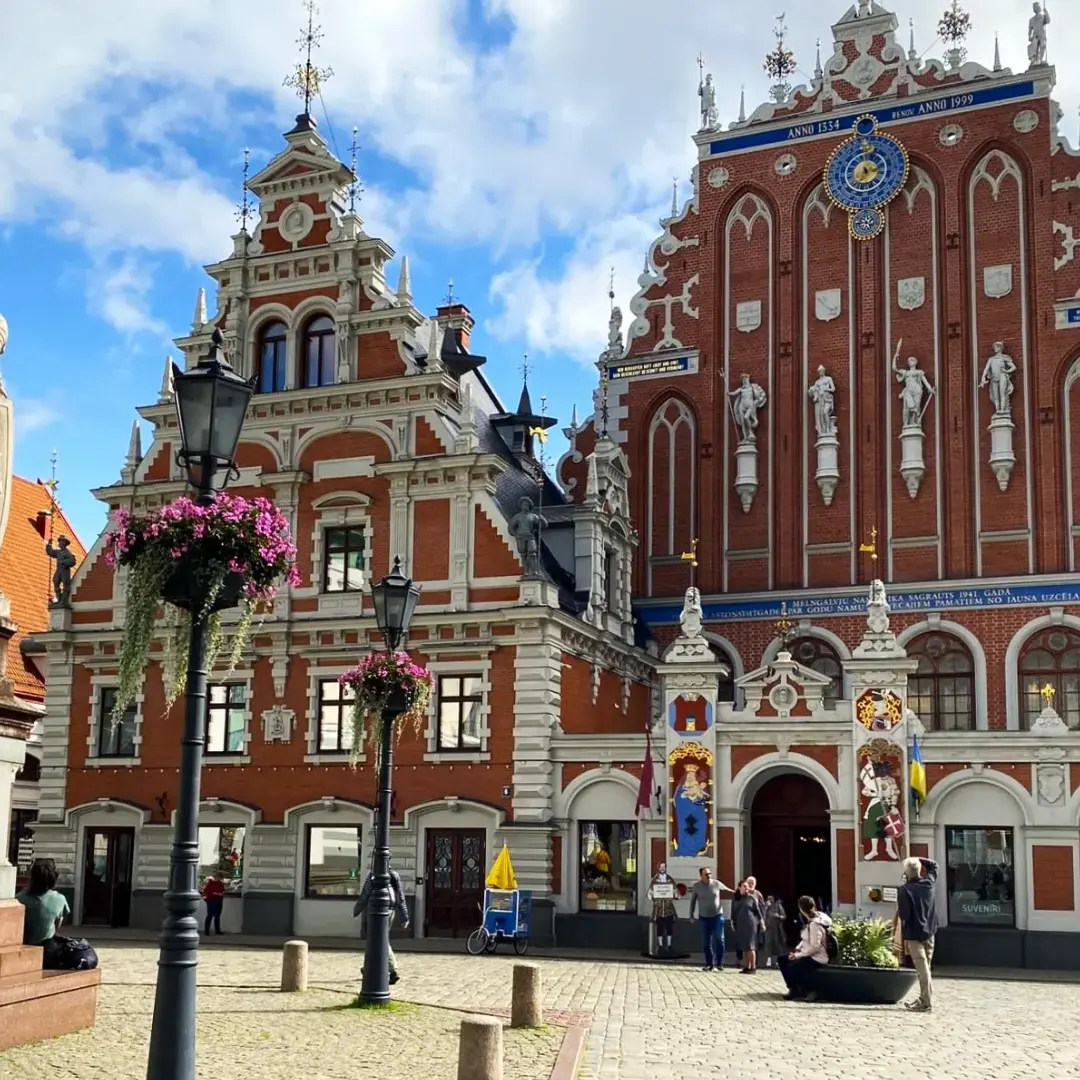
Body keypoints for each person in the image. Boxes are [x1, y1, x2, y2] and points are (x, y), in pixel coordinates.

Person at [354, 862, 411, 986]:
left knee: (380, 940)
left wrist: (357, 909)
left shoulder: (373, 875)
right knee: (374, 940)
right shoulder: (394, 874)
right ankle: (369, 967)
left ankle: (392, 970)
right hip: (390, 910)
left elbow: (365, 893)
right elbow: (400, 897)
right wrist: (404, 917)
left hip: (377, 910)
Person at [898, 855, 939, 1012]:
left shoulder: (904, 890)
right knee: (926, 967)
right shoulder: (929, 882)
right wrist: (918, 859)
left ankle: (925, 1002)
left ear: (907, 873)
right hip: (930, 931)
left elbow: (905, 916)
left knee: (922, 969)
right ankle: (924, 998)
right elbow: (934, 865)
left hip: (914, 934)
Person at [16, 858, 71, 969]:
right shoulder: (60, 899)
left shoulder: (19, 898)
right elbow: (57, 926)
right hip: (48, 953)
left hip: (22, 949)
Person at [777, 896, 832, 1001]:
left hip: (817, 957)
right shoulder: (813, 920)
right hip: (807, 952)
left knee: (792, 968)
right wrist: (798, 949)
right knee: (782, 959)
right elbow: (806, 939)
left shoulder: (815, 924)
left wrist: (798, 955)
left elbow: (814, 947)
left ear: (801, 909)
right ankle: (794, 989)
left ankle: (810, 991)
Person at [688, 866, 733, 971]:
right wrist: (691, 915)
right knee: (706, 943)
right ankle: (709, 964)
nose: (709, 876)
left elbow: (728, 890)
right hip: (704, 918)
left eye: (710, 874)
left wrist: (740, 892)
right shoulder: (697, 886)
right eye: (706, 874)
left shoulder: (716, 884)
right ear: (701, 876)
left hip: (717, 916)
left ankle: (720, 963)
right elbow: (693, 902)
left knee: (719, 939)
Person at [732, 880, 765, 974]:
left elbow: (758, 912)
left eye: (747, 886)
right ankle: (747, 966)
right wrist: (732, 921)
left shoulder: (752, 898)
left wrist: (762, 923)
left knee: (751, 946)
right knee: (744, 946)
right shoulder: (736, 898)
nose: (746, 888)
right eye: (744, 886)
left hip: (750, 924)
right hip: (740, 924)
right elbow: (733, 911)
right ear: (739, 887)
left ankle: (753, 967)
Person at [648, 862, 677, 957]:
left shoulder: (670, 879)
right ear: (658, 868)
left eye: (664, 867)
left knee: (669, 927)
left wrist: (675, 893)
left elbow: (676, 894)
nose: (662, 868)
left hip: (668, 908)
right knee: (659, 928)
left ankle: (669, 946)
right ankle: (660, 946)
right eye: (661, 867)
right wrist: (652, 894)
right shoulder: (654, 880)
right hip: (659, 908)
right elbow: (649, 895)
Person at [761, 896, 787, 968]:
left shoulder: (778, 906)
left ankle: (776, 961)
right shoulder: (765, 907)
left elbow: (784, 916)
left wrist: (778, 916)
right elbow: (761, 917)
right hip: (768, 929)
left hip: (776, 929)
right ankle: (768, 960)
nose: (770, 900)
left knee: (777, 944)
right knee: (768, 944)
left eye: (771, 899)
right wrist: (766, 908)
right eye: (768, 899)